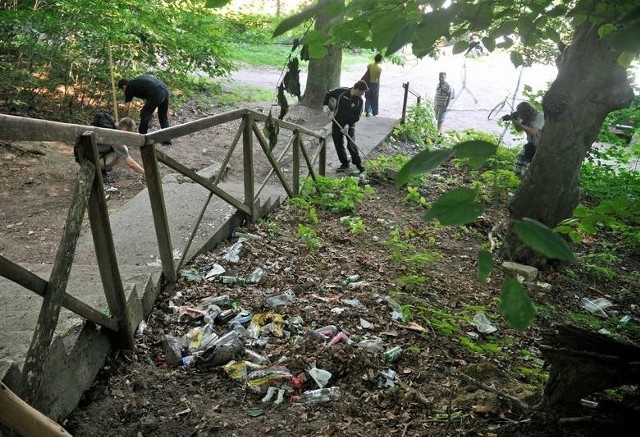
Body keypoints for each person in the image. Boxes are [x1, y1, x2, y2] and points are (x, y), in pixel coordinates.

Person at [323, 80, 368, 173]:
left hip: (349, 125)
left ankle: (358, 164)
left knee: (351, 144)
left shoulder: (360, 101)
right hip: (336, 122)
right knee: (338, 144)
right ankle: (344, 163)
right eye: (362, 92)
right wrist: (325, 105)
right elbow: (328, 93)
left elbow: (357, 116)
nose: (363, 94)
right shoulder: (342, 91)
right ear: (357, 89)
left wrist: (348, 125)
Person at [118, 75, 172, 144]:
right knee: (163, 116)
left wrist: (123, 119)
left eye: (122, 90)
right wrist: (150, 110)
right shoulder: (137, 82)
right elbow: (147, 97)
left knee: (144, 114)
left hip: (157, 92)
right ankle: (167, 140)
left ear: (123, 86)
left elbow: (126, 107)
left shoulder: (129, 87)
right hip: (165, 90)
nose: (124, 92)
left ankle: (142, 137)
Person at [98, 117, 145, 182]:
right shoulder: (116, 138)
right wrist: (144, 173)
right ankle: (100, 171)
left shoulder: (113, 126)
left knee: (123, 150)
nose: (132, 133)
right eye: (131, 131)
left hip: (93, 153)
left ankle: (101, 169)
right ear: (124, 129)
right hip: (93, 160)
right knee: (120, 154)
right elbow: (131, 164)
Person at [509, 101, 545, 178]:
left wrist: (519, 124)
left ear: (526, 111)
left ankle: (526, 180)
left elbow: (533, 132)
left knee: (529, 169)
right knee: (518, 164)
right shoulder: (528, 118)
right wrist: (515, 121)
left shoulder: (539, 116)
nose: (521, 115)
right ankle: (521, 180)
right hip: (531, 145)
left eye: (521, 113)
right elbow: (519, 130)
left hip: (540, 147)